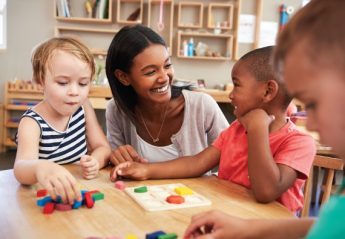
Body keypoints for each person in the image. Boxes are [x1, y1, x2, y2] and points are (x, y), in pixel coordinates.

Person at [183, 0, 345, 238]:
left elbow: (267, 190)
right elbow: (328, 228)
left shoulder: (294, 140)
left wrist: (259, 128)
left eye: (313, 102)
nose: (309, 123)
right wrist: (247, 228)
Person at [110, 45, 316, 214]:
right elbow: (196, 162)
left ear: (268, 91)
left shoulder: (299, 143)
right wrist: (147, 170)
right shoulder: (235, 130)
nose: (231, 95)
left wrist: (258, 130)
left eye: (237, 85)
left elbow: (266, 191)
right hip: (229, 220)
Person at [105, 25, 228, 165]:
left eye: (167, 65)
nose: (164, 78)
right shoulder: (116, 110)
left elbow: (231, 154)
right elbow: (116, 165)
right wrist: (114, 157)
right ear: (123, 77)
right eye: (151, 72)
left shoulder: (201, 105)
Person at [14, 37, 111, 204]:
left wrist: (95, 161)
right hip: (45, 195)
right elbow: (21, 168)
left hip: (78, 190)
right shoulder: (32, 122)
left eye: (82, 83)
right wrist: (40, 167)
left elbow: (103, 147)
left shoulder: (84, 107)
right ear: (40, 82)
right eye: (63, 82)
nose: (74, 91)